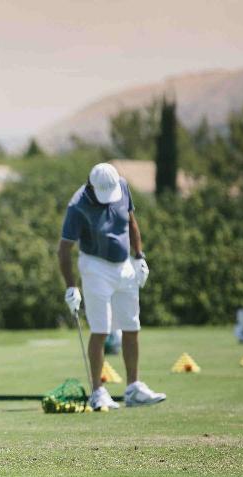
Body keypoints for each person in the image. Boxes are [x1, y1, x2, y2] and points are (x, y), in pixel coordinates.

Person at [57, 162, 166, 410]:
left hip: (125, 265)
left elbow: (131, 223)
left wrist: (139, 257)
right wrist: (71, 287)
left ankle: (133, 388)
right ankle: (98, 392)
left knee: (131, 326)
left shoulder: (122, 187)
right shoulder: (77, 206)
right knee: (101, 330)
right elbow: (63, 250)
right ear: (90, 186)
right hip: (95, 267)